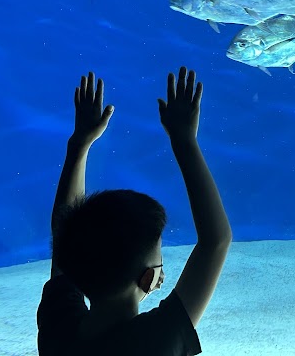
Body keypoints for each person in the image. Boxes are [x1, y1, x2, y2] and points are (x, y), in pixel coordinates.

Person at [37, 67, 232, 355]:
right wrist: (184, 141)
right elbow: (216, 242)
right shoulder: (155, 342)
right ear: (147, 279)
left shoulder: (57, 327)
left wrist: (79, 143)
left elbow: (66, 229)